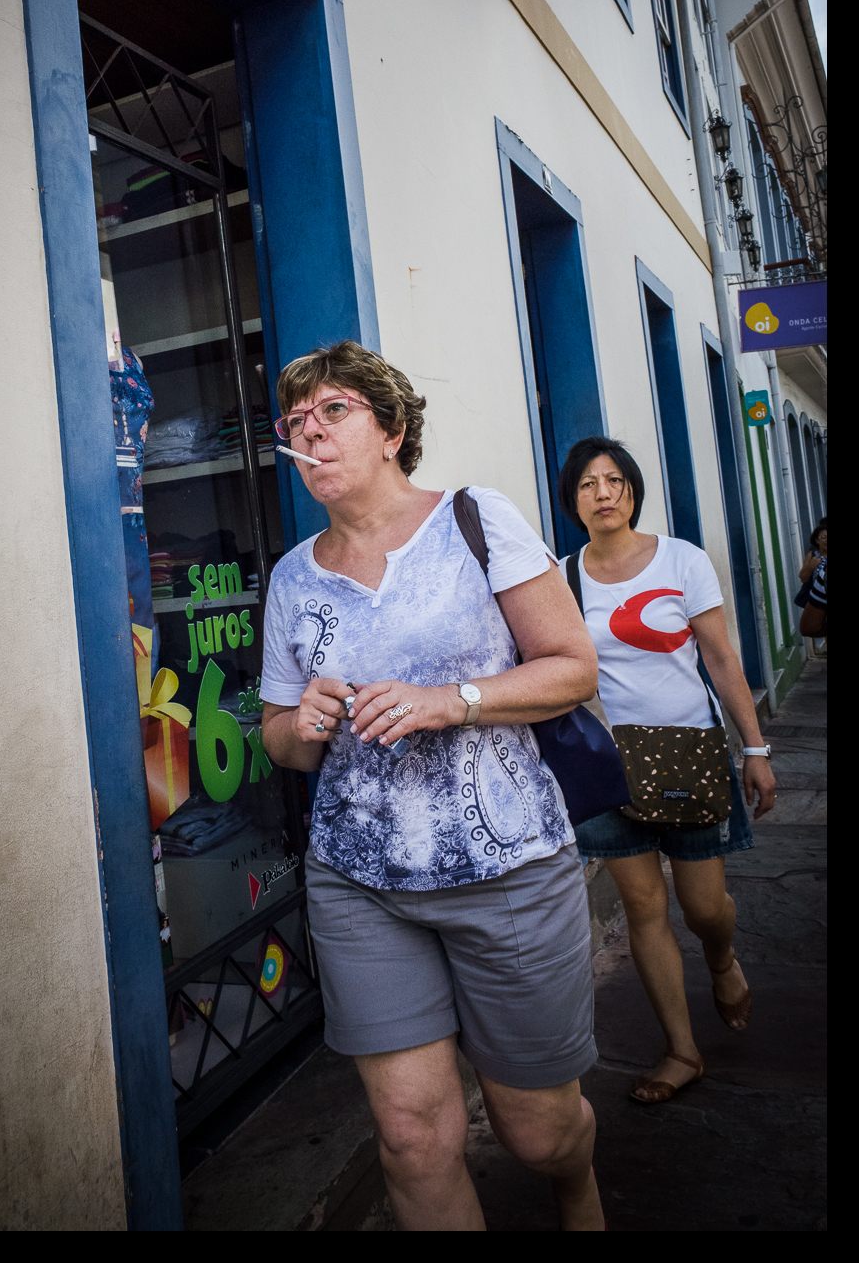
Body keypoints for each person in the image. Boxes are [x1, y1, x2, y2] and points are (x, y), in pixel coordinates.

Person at [261, 342, 604, 1232]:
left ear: (392, 430)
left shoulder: (471, 520)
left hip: (510, 872)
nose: (309, 434)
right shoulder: (293, 578)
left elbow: (572, 671)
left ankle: (576, 1185)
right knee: (411, 1139)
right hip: (361, 883)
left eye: (331, 412)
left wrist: (451, 700)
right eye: (293, 423)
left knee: (539, 1134)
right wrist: (299, 727)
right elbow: (281, 742)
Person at [556, 436, 777, 1105]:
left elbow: (720, 660)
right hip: (611, 768)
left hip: (690, 756)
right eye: (589, 483)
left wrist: (755, 748)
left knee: (704, 907)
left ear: (633, 490)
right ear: (572, 497)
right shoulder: (563, 578)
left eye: (615, 480)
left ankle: (721, 958)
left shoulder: (680, 560)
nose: (603, 493)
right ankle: (681, 1050)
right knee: (643, 907)